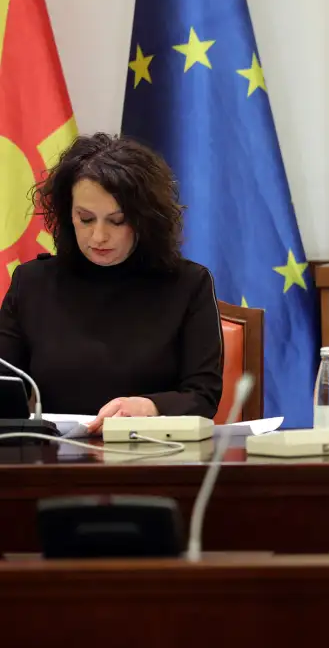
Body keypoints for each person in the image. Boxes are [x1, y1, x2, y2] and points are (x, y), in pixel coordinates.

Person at [0, 133, 224, 434]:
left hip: (153, 450)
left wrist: (150, 407)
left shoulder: (188, 285)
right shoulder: (31, 283)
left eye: (116, 221)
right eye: (85, 219)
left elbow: (203, 395)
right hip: (53, 454)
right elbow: (5, 387)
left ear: (145, 219)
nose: (98, 237)